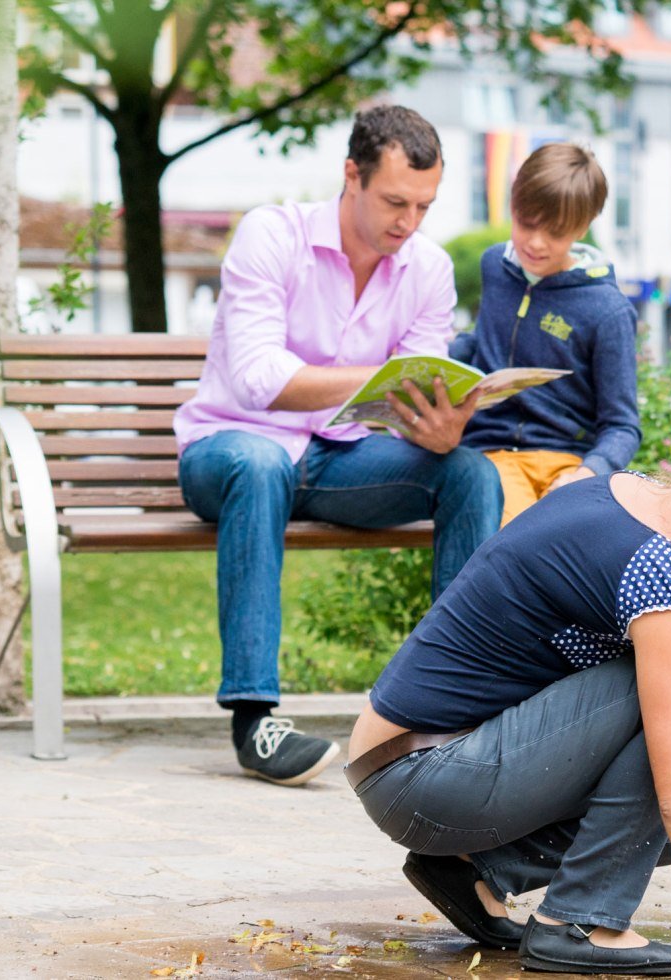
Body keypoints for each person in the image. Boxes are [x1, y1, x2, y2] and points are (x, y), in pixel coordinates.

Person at [345, 358, 671, 977]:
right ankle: (579, 922)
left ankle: (478, 874)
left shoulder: (622, 491)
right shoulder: (664, 576)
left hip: (404, 764)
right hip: (427, 775)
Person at [174, 105, 502, 787]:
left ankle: (453, 710)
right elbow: (258, 379)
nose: (408, 222)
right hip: (229, 451)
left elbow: (414, 392)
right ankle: (255, 720)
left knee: (469, 473)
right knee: (262, 464)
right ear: (351, 175)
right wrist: (380, 378)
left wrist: (439, 428)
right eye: (394, 201)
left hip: (335, 459)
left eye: (424, 205)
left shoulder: (427, 269)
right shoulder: (272, 234)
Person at [451, 142, 640, 525]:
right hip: (493, 453)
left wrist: (588, 471)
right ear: (512, 206)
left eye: (554, 232)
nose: (535, 243)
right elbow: (483, 341)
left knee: (562, 540)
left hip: (567, 462)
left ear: (582, 227)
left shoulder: (608, 310)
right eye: (526, 223)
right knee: (516, 535)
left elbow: (621, 424)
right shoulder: (495, 267)